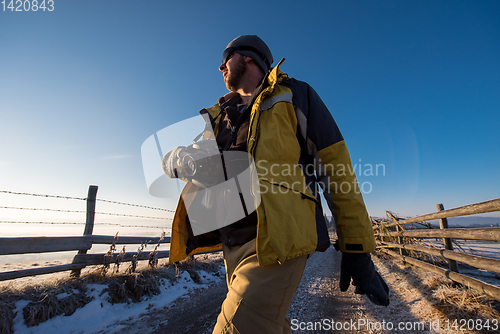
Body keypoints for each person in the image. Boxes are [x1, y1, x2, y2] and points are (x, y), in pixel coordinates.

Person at [166, 35, 389, 334]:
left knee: (235, 328)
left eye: (225, 57)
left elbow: (337, 171)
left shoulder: (295, 94)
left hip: (277, 241)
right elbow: (205, 167)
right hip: (232, 244)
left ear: (247, 56)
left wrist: (357, 248)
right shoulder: (220, 117)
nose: (220, 66)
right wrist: (177, 158)